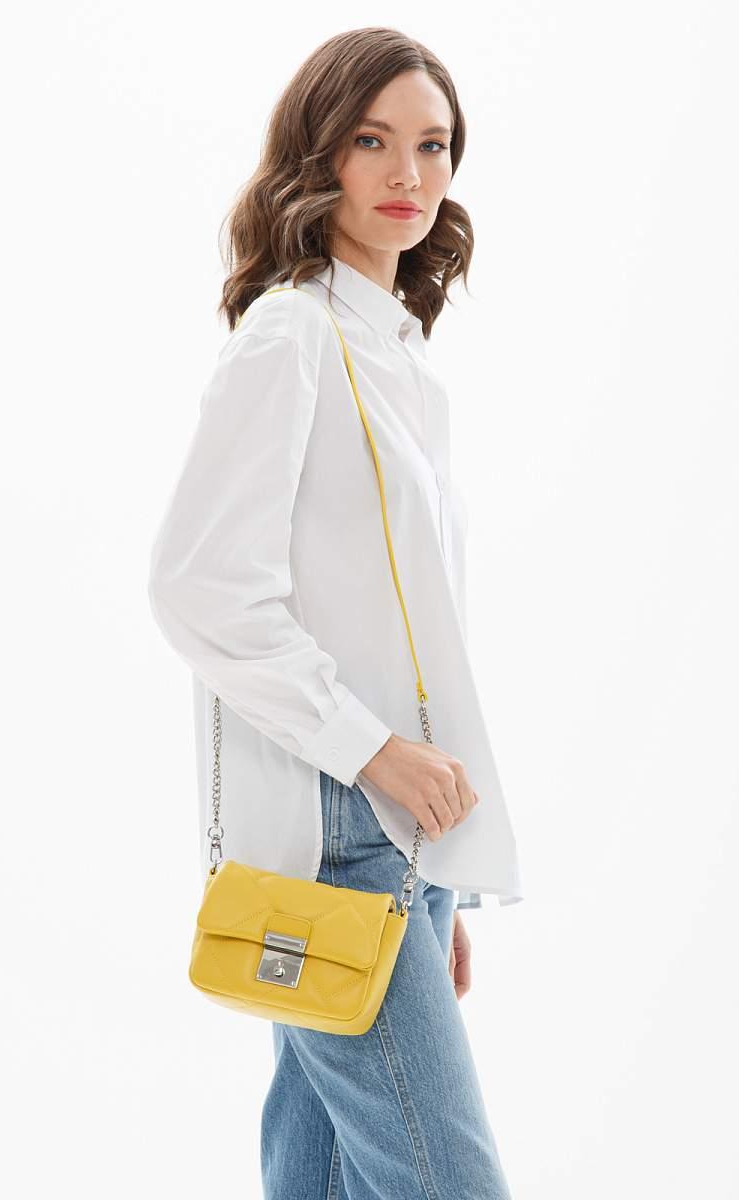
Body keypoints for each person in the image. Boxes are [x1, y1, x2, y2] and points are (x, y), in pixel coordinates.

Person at [147, 26, 523, 1199]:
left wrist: (440, 874)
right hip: (337, 833)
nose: (409, 174)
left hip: (393, 837)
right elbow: (198, 585)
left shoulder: (395, 356)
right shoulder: (291, 337)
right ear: (320, 154)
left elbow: (407, 636)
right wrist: (375, 757)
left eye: (434, 145)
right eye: (373, 141)